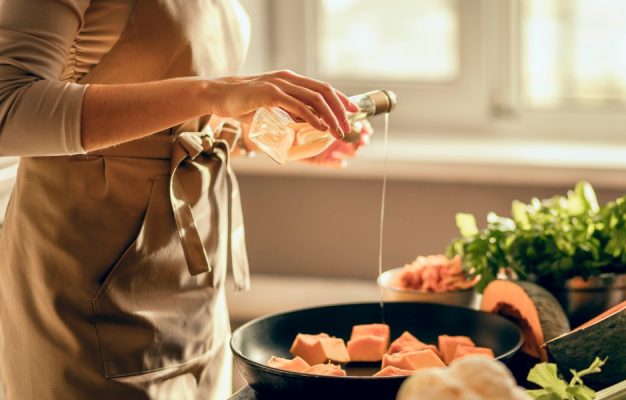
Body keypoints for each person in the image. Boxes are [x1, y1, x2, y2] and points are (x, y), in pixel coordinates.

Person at [0, 0, 369, 398]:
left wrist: (260, 137)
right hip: (88, 296)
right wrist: (214, 94)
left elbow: (176, 122)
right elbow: (7, 109)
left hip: (196, 294)